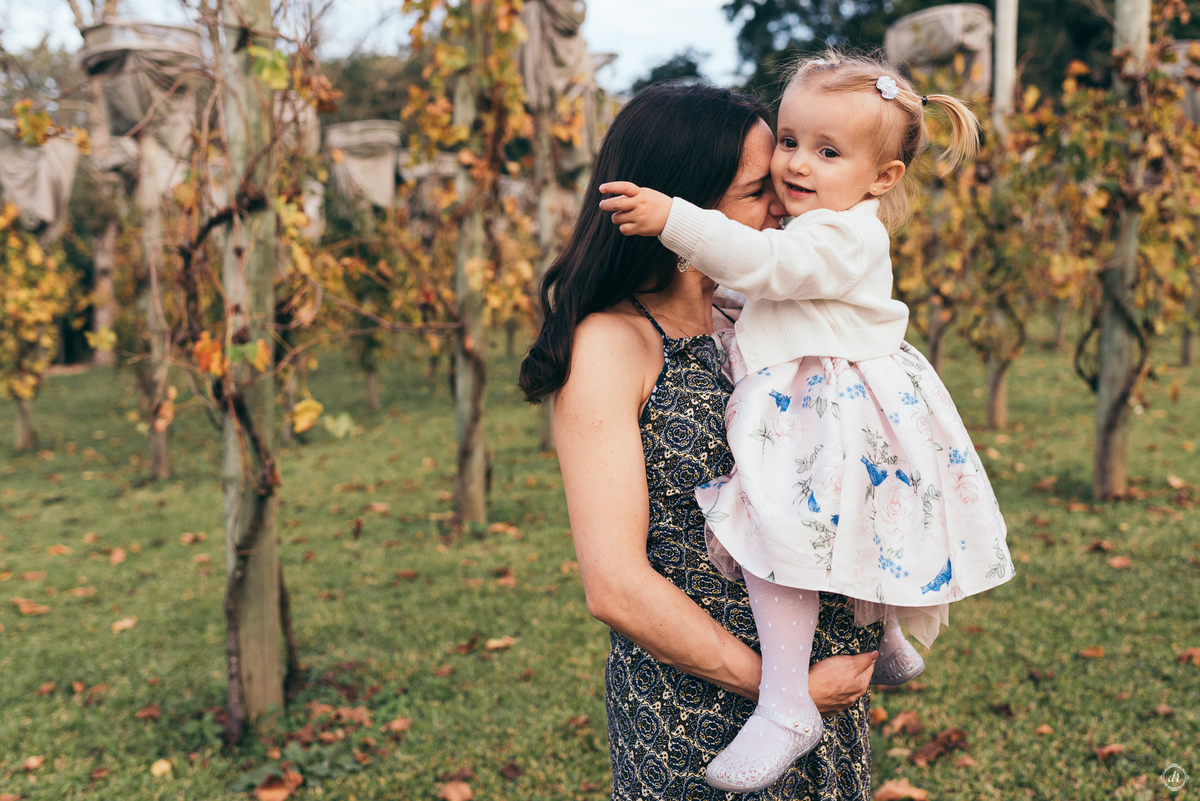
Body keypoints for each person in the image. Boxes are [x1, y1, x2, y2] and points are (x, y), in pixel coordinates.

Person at [598, 51, 1016, 792]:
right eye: (786, 146)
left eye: (824, 151)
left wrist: (673, 220)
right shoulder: (629, 338)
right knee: (819, 518)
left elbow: (762, 264)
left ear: (882, 176)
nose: (793, 172)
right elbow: (755, 282)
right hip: (690, 707)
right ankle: (867, 643)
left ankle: (834, 665)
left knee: (785, 517)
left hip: (831, 401)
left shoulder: (834, 235)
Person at [519, 81, 884, 800]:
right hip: (698, 711)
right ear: (686, 210)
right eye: (759, 191)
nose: (785, 202)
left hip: (821, 702)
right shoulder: (611, 345)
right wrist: (787, 690)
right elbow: (616, 586)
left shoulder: (757, 318)